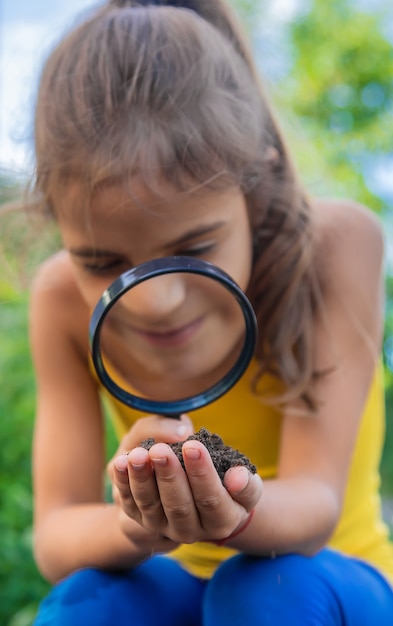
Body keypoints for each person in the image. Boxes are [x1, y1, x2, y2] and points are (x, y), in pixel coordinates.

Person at [26, 0, 393, 624]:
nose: (156, 300)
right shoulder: (59, 297)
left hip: (330, 574)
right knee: (90, 605)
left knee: (262, 594)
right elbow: (56, 532)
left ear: (253, 184)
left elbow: (317, 504)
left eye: (194, 250)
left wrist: (235, 506)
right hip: (178, 583)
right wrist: (138, 522)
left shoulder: (334, 247)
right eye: (100, 261)